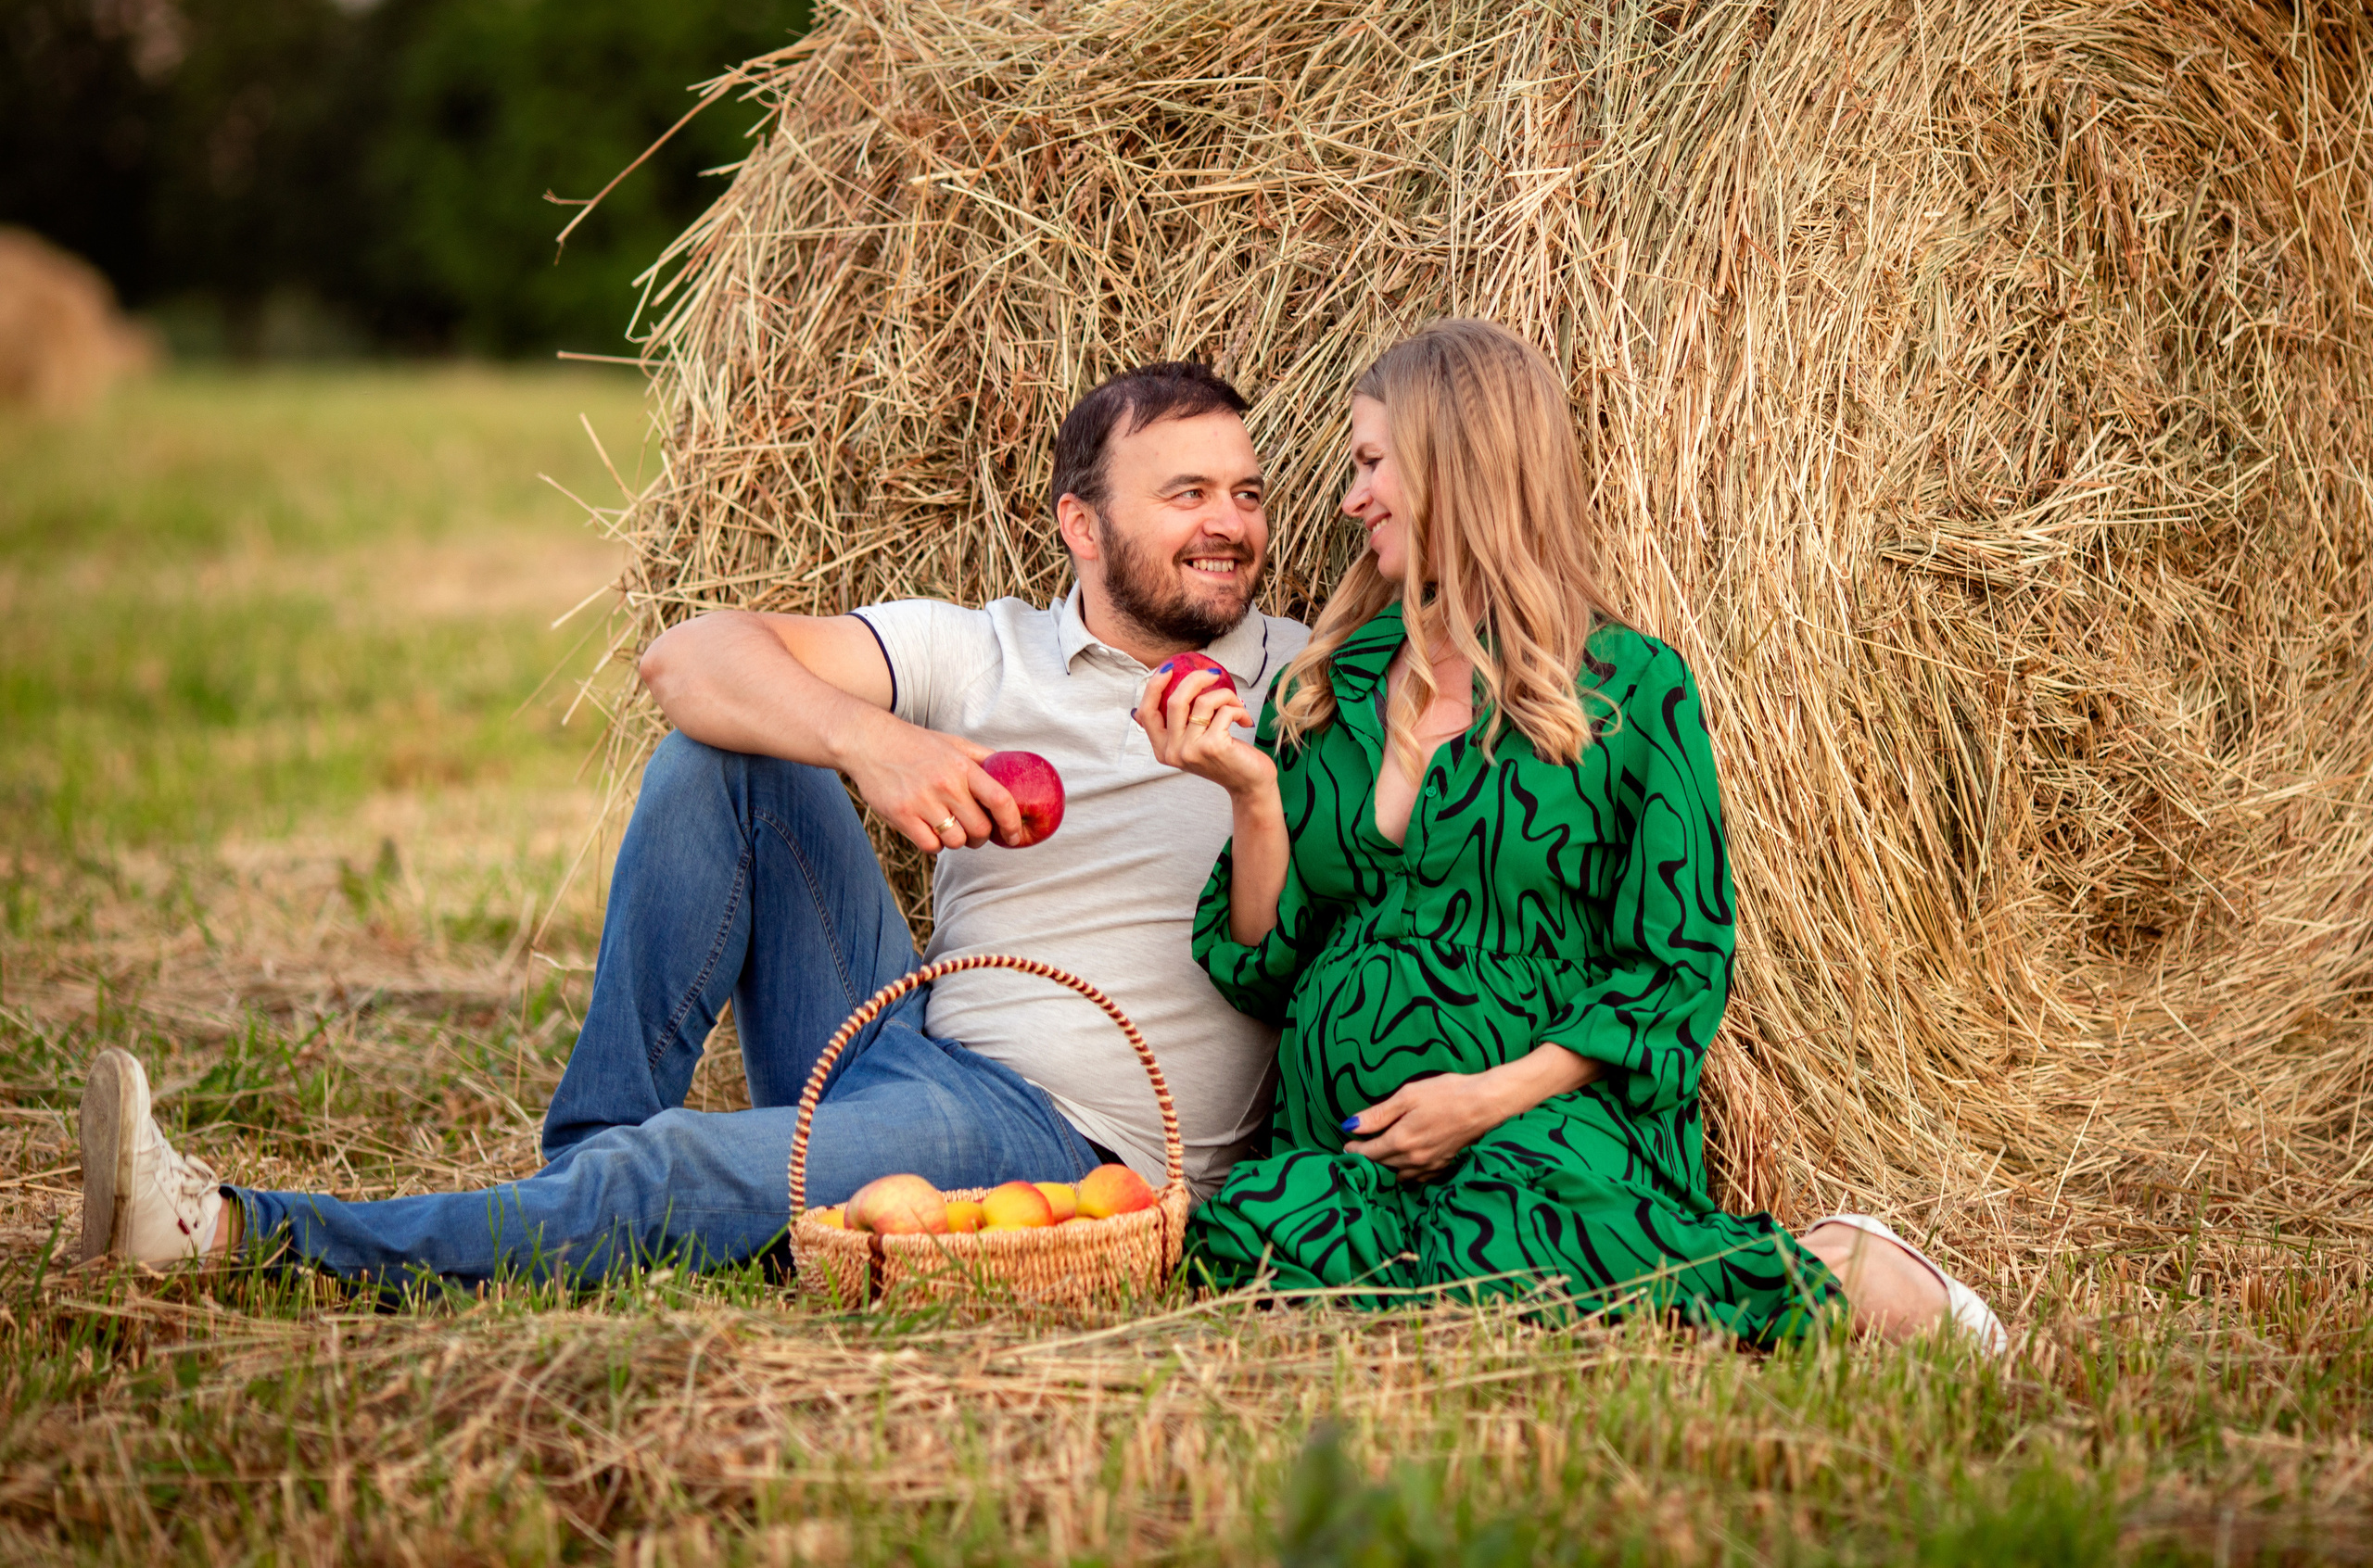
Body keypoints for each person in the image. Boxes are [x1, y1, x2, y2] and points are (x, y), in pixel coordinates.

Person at [77, 360, 1310, 1286]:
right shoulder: (985, 647)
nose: (1231, 524)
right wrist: (871, 741)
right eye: (1188, 492)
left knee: (678, 1173)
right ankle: (587, 1173)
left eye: (1246, 493)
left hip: (1059, 1132)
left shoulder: (1312, 680)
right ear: (1080, 526)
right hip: (910, 1037)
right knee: (724, 752)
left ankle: (232, 1234)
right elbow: (689, 656)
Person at [1136, 321, 2006, 1350]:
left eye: (1372, 464)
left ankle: (1862, 1273)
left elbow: (1676, 968)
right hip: (1352, 1141)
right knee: (1246, 1238)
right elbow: (1257, 969)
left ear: (1456, 465)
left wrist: (1482, 1098)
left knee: (1509, 1233)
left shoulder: (1631, 690)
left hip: (1545, 1127)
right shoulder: (1329, 685)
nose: (1349, 497)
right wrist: (1251, 798)